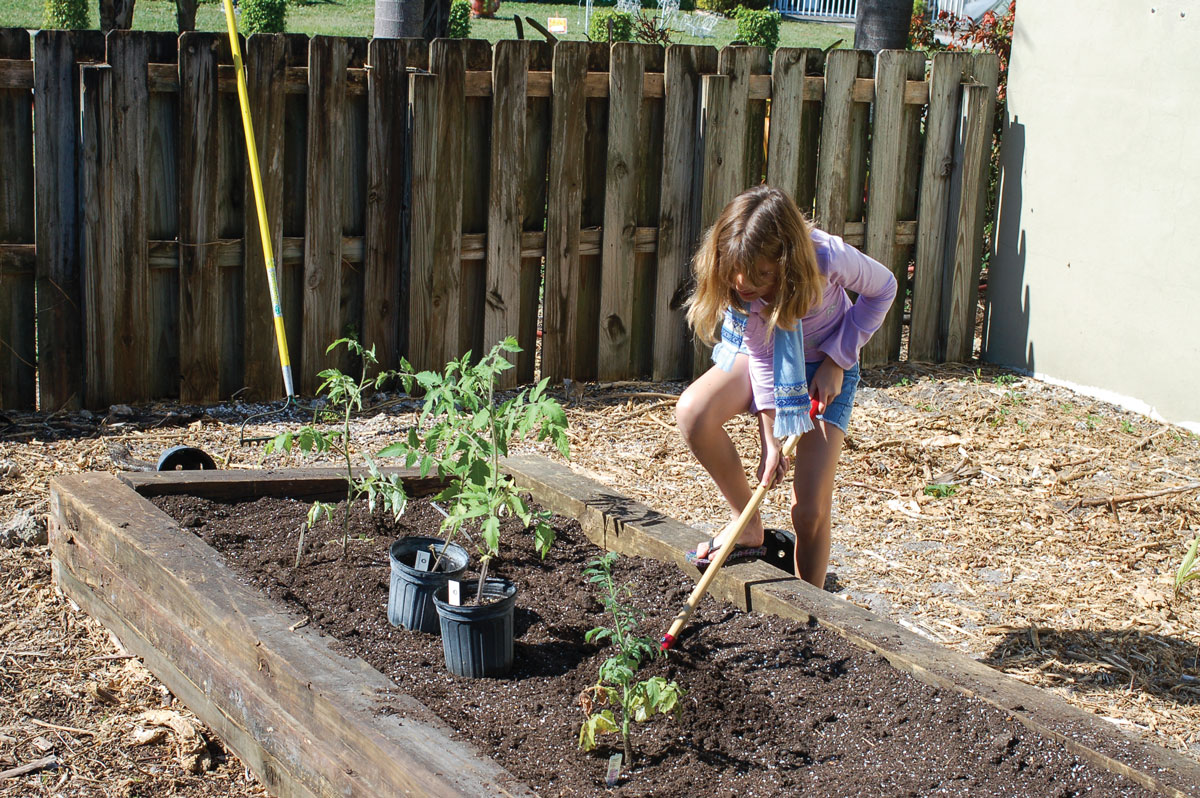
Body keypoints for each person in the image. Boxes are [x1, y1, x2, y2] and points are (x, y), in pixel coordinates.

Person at [676, 185, 897, 589]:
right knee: (693, 411)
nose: (743, 283)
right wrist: (771, 440)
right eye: (736, 270)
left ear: (787, 259)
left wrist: (836, 360)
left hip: (829, 365)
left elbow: (883, 289)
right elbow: (761, 359)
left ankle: (812, 609)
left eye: (760, 274)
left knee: (808, 510)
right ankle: (748, 526)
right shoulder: (742, 284)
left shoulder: (826, 256)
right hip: (768, 358)